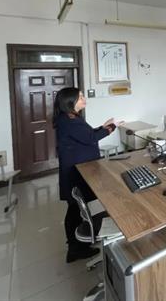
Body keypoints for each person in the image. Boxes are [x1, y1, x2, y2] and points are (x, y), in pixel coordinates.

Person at [53, 87, 117, 263]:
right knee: (74, 208)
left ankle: (76, 244)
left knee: (74, 208)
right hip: (76, 172)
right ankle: (75, 249)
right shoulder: (69, 120)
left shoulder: (70, 118)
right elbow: (90, 138)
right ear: (70, 102)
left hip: (79, 169)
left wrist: (102, 127)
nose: (84, 99)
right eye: (80, 97)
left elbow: (86, 134)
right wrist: (112, 127)